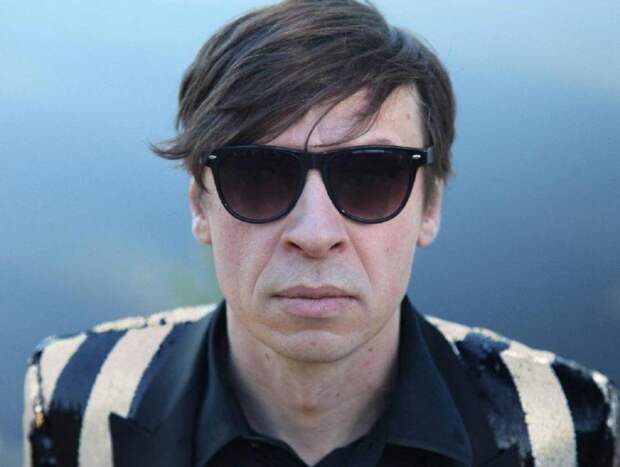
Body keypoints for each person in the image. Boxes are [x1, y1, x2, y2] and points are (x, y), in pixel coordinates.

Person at [23, 1, 619, 466]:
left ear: (430, 206)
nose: (314, 233)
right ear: (200, 205)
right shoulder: (74, 395)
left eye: (371, 177)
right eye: (258, 177)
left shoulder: (568, 425)